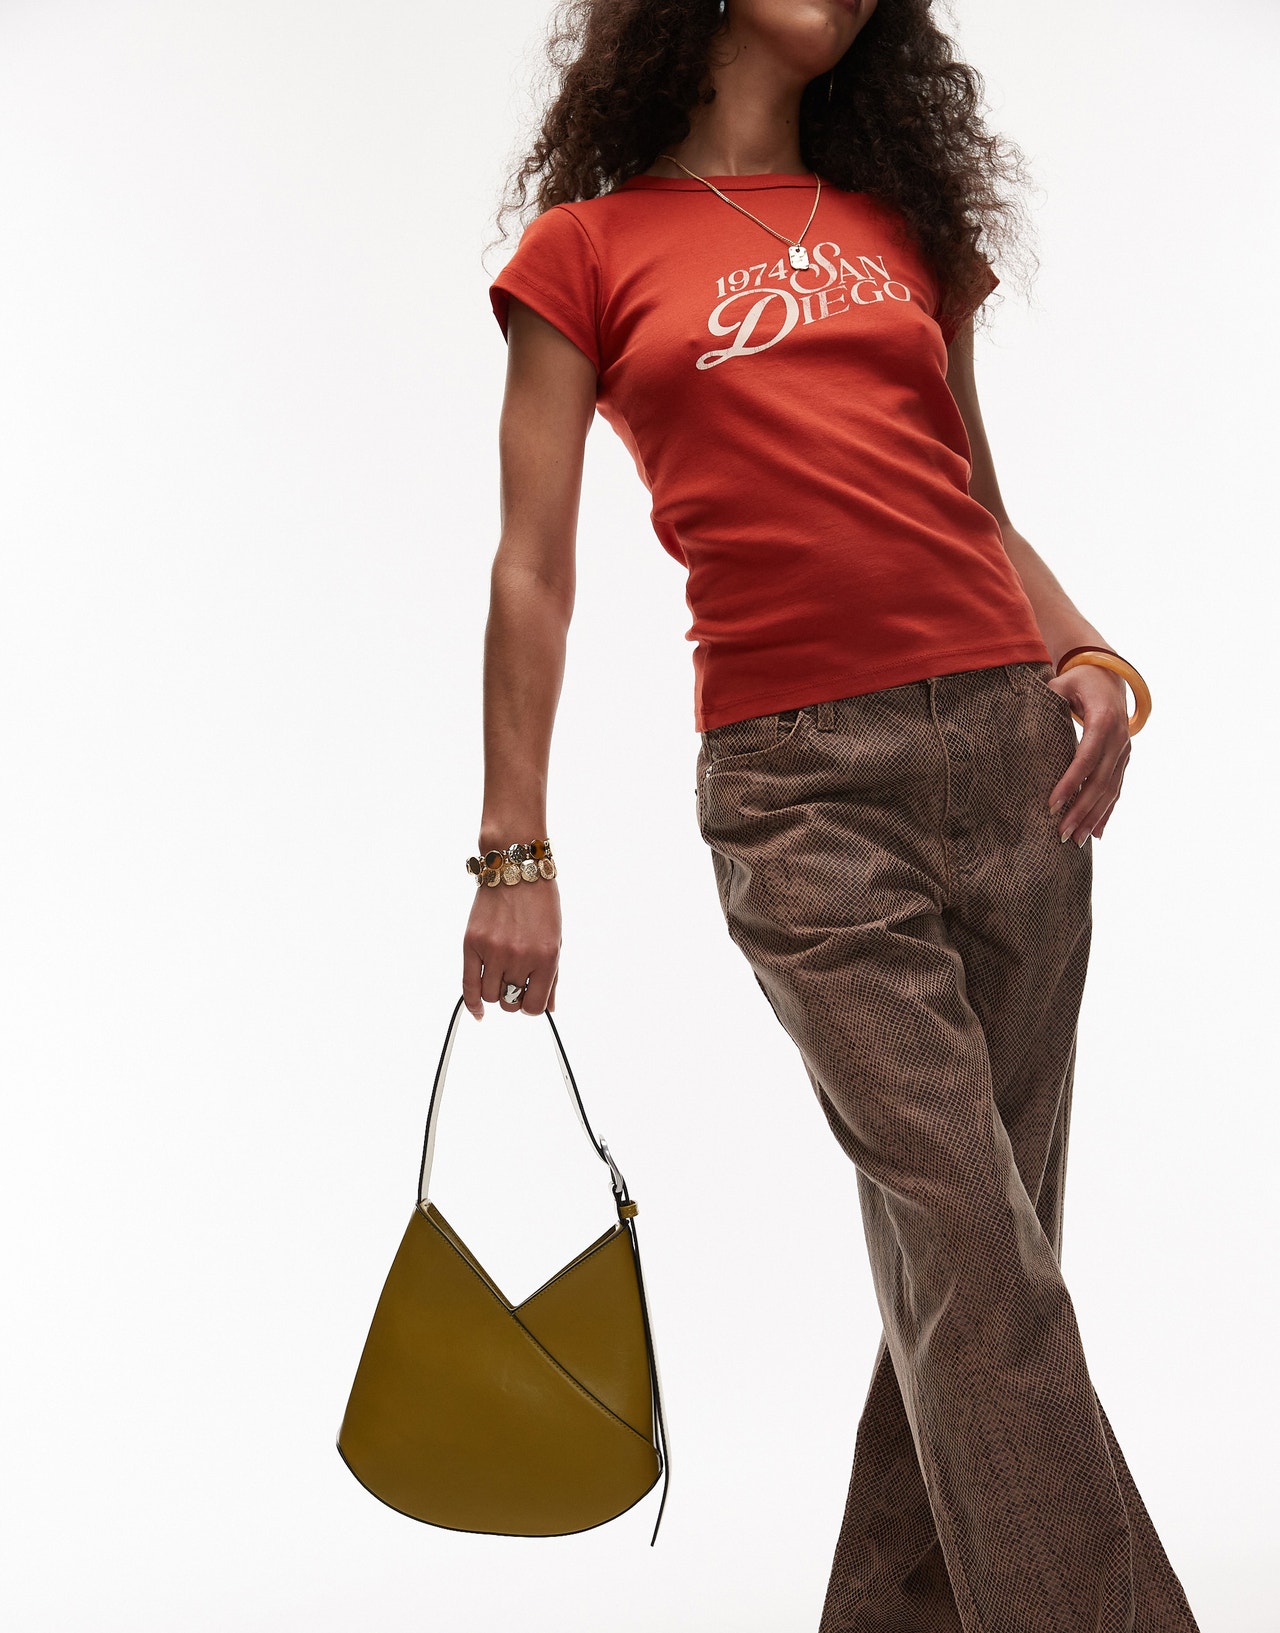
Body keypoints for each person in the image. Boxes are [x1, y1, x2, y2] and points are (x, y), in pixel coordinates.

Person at [461, 1, 1201, 1628]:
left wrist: (1085, 653)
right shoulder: (587, 254)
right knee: (979, 1253)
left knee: (981, 1268)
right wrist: (515, 848)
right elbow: (532, 568)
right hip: (805, 799)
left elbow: (972, 502)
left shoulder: (899, 227)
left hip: (1014, 761)